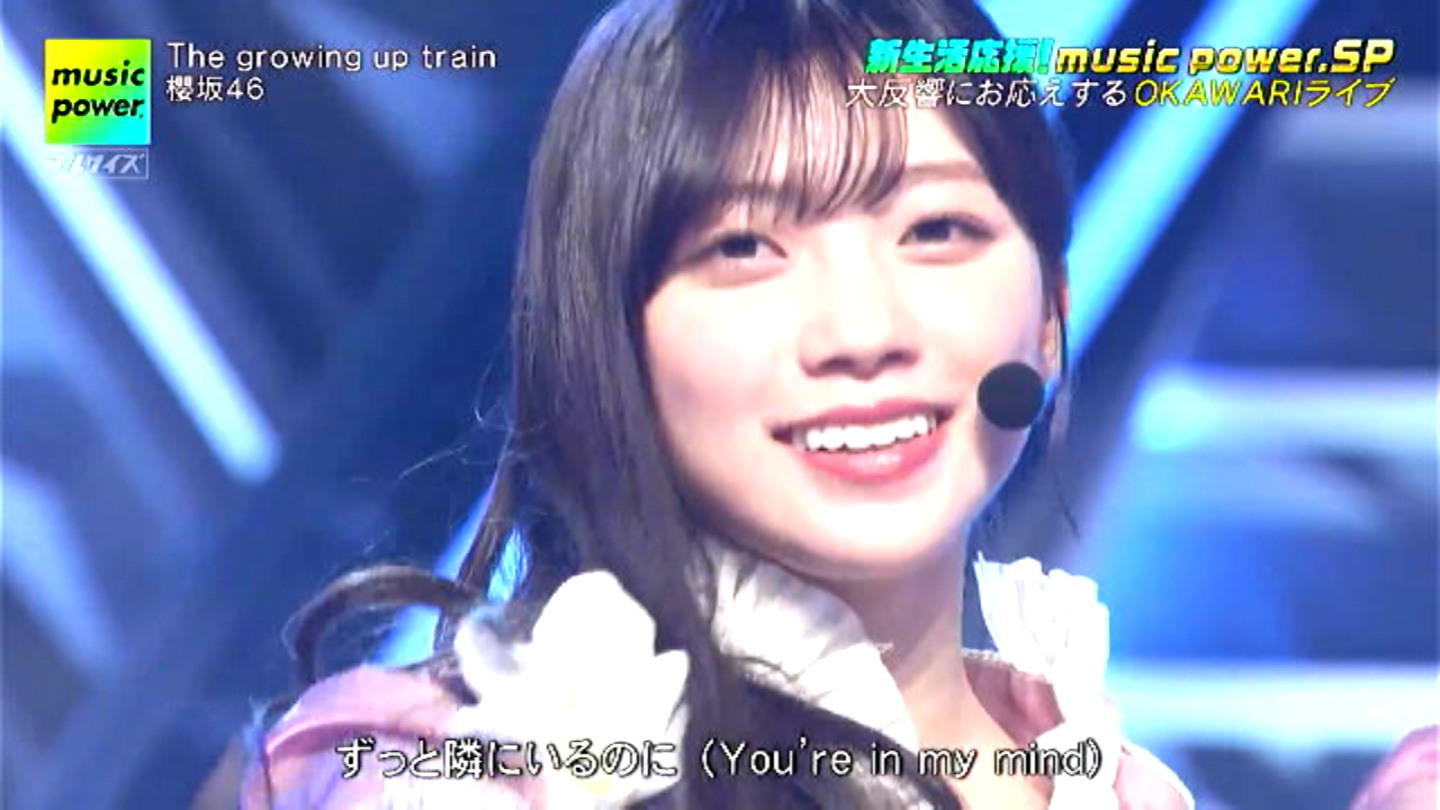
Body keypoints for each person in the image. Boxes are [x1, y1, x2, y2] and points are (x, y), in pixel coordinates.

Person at [238, 0, 1434, 807]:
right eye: (745, 247)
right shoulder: (478, 769)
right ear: (605, 331)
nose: (863, 333)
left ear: (1050, 316)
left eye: (939, 229)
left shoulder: (1112, 783)